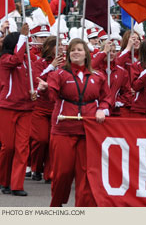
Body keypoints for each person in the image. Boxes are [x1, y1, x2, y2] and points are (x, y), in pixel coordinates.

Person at [37, 38, 111, 207]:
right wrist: (45, 88)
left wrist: (103, 109)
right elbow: (52, 93)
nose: (75, 52)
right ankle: (56, 205)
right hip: (64, 129)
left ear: (86, 54)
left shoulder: (98, 75)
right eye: (72, 50)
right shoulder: (59, 73)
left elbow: (107, 98)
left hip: (88, 130)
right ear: (68, 54)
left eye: (79, 49)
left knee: (85, 173)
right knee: (63, 172)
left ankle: (82, 210)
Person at [0, 23, 35, 196]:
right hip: (7, 107)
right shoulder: (5, 60)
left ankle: (16, 185)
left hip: (26, 108)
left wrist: (36, 90)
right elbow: (16, 60)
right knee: (8, 147)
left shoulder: (27, 62)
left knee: (22, 147)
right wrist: (22, 36)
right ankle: (3, 181)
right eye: (22, 43)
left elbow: (33, 81)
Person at [30, 36, 64, 182]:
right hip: (40, 107)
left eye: (62, 45)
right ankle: (36, 167)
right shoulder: (40, 63)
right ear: (49, 48)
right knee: (41, 139)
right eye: (58, 45)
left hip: (56, 106)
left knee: (53, 141)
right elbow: (35, 79)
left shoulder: (64, 65)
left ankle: (50, 172)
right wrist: (51, 67)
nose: (62, 47)